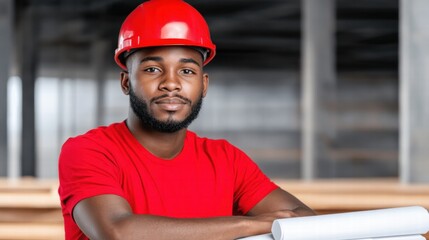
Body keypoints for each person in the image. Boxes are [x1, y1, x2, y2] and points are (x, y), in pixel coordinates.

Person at [58, 0, 315, 239]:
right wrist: (249, 225)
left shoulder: (227, 160)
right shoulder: (89, 151)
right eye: (152, 69)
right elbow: (118, 232)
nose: (171, 83)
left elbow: (304, 221)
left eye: (187, 71)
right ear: (126, 82)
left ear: (203, 85)